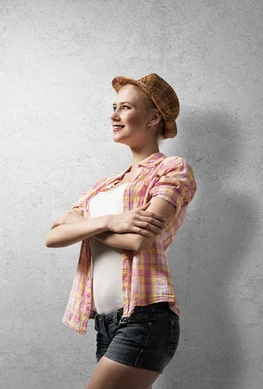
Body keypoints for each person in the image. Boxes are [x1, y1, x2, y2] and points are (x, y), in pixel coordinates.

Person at [44, 74, 197, 389]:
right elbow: (54, 235)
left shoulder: (172, 169)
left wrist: (83, 227)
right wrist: (109, 222)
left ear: (153, 117)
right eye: (113, 107)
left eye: (125, 107)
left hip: (146, 317)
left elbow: (139, 240)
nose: (114, 115)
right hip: (106, 323)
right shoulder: (105, 185)